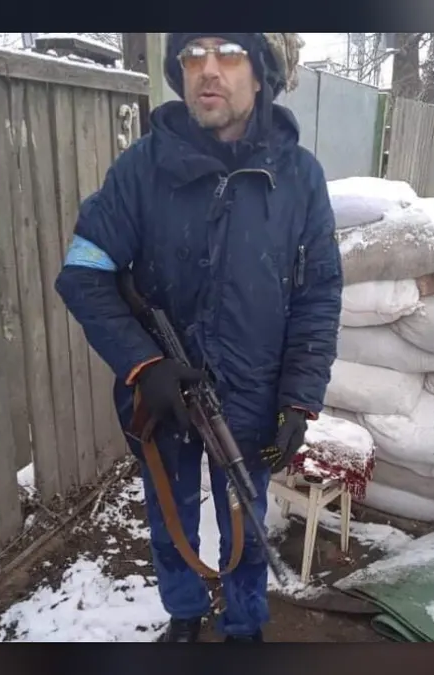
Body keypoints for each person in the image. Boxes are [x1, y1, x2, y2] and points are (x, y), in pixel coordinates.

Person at [55, 33, 342, 642]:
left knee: (246, 523)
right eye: (193, 54)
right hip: (163, 396)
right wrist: (144, 364)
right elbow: (83, 272)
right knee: (170, 517)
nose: (207, 69)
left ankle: (244, 626)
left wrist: (298, 400)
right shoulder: (141, 169)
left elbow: (318, 296)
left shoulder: (301, 179)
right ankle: (184, 617)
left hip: (254, 397)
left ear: (262, 72)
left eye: (228, 51)